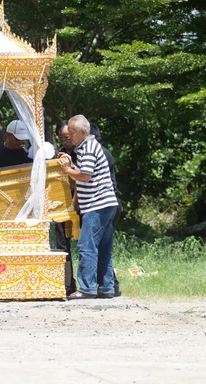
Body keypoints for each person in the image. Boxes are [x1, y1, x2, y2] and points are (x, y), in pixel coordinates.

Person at [57, 115, 119, 299]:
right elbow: (84, 171)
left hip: (97, 204)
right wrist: (70, 164)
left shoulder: (89, 147)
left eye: (72, 133)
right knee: (103, 247)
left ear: (83, 132)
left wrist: (67, 170)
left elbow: (85, 176)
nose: (70, 137)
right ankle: (107, 287)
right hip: (105, 203)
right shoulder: (85, 147)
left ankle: (86, 288)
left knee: (86, 245)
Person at [90, 122, 122, 297]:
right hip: (111, 203)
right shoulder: (104, 151)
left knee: (97, 247)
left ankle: (108, 285)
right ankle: (110, 286)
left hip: (103, 204)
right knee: (103, 247)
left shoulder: (95, 152)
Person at [53, 120, 77, 295]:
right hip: (61, 204)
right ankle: (68, 283)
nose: (65, 141)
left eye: (68, 138)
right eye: (61, 138)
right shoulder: (56, 155)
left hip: (82, 202)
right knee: (62, 246)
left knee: (87, 244)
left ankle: (92, 282)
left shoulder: (83, 152)